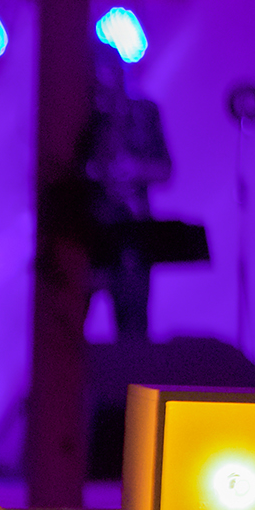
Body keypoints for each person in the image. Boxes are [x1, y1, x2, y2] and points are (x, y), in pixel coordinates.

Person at [87, 45, 174, 342]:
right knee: (67, 330)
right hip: (86, 231)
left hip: (130, 233)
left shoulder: (143, 112)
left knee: (134, 329)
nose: (103, 78)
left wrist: (134, 168)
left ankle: (131, 388)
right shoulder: (75, 114)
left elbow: (166, 170)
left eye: (108, 70)